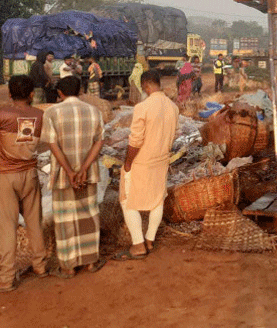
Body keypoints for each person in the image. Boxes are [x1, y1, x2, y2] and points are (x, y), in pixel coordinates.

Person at [41, 76, 106, 278]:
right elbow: (99, 142)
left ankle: (68, 266)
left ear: (60, 93)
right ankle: (90, 262)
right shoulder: (94, 111)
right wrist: (83, 168)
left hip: (63, 175)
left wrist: (69, 171)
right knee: (88, 215)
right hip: (88, 174)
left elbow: (52, 145)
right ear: (80, 91)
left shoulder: (52, 112)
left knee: (65, 218)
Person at [115, 70, 178, 260]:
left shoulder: (142, 107)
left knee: (127, 200)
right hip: (161, 160)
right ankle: (149, 239)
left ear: (146, 86)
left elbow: (135, 140)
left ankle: (138, 244)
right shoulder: (173, 107)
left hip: (142, 161)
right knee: (157, 200)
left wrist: (127, 163)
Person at [0, 75, 48, 292]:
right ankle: (40, 267)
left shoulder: (3, 114)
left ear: (10, 94)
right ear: (31, 94)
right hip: (30, 174)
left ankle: (6, 279)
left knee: (6, 228)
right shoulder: (40, 115)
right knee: (34, 224)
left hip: (5, 177)